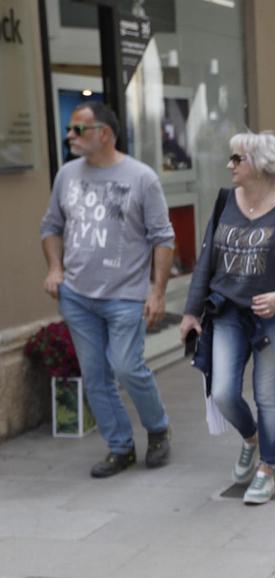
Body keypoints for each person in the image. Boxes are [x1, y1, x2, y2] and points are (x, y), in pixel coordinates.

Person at [180, 131, 275, 505]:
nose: (230, 165)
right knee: (223, 392)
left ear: (257, 164)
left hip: (270, 315)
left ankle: (267, 468)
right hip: (226, 311)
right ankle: (251, 439)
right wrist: (192, 311)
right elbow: (206, 260)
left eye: (236, 159)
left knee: (267, 394)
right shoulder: (225, 201)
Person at [40, 101, 174, 479]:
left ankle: (158, 427)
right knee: (95, 375)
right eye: (69, 129)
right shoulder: (66, 176)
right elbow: (50, 226)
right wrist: (55, 268)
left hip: (125, 294)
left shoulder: (141, 178)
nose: (70, 136)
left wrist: (157, 291)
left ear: (105, 133)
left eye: (77, 129)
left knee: (127, 366)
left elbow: (163, 237)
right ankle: (120, 447)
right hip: (78, 296)